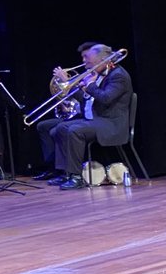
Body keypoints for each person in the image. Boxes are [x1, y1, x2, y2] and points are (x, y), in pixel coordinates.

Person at [52, 44, 133, 190]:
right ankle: (66, 173)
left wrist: (90, 85)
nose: (84, 62)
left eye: (88, 58)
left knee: (75, 130)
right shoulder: (99, 74)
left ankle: (77, 177)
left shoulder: (118, 75)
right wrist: (72, 85)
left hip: (112, 124)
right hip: (98, 119)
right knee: (61, 127)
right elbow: (87, 99)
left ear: (102, 59)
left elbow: (106, 98)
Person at [32, 42, 101, 184]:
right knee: (43, 126)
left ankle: (67, 172)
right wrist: (64, 102)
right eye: (82, 57)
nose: (83, 60)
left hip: (89, 117)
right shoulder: (85, 75)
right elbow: (79, 98)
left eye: (86, 56)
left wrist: (67, 81)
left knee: (59, 129)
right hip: (77, 114)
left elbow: (91, 99)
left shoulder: (97, 77)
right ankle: (53, 168)